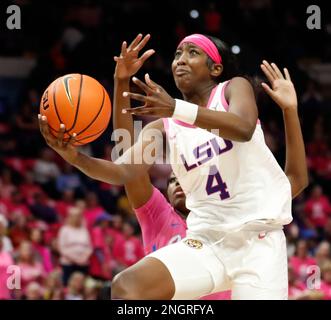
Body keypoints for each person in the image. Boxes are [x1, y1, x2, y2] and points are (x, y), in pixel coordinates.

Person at [39, 33, 308, 299]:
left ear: (216, 68)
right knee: (127, 287)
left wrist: (175, 108)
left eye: (193, 52)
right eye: (178, 53)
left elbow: (243, 128)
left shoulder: (233, 88)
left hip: (259, 245)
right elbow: (124, 170)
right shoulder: (164, 126)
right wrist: (74, 156)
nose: (181, 59)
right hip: (206, 241)